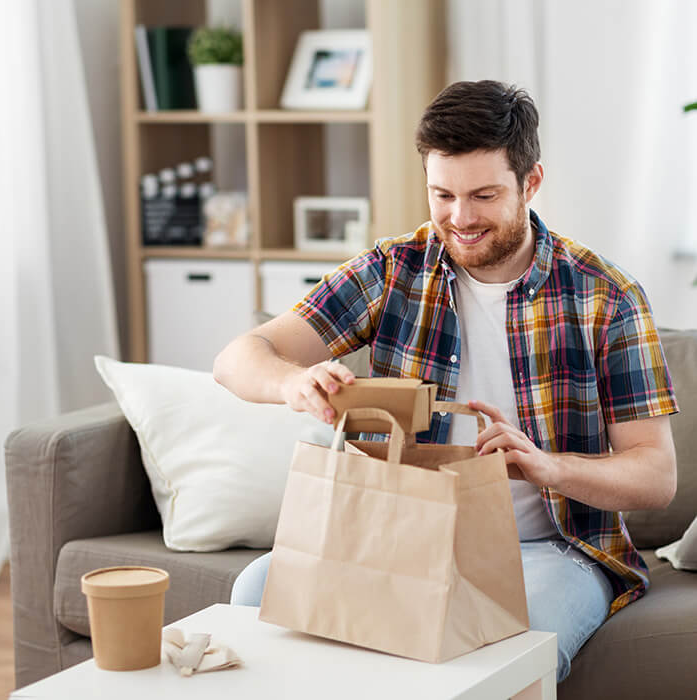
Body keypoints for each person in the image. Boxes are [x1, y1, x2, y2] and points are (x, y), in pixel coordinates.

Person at [212, 80, 678, 683]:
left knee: (504, 644)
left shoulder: (605, 297)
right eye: (443, 194)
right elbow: (238, 358)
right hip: (397, 533)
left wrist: (548, 466)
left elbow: (656, 474)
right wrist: (293, 383)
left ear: (531, 182)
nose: (460, 219)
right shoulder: (393, 270)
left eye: (484, 195)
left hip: (552, 551)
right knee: (256, 592)